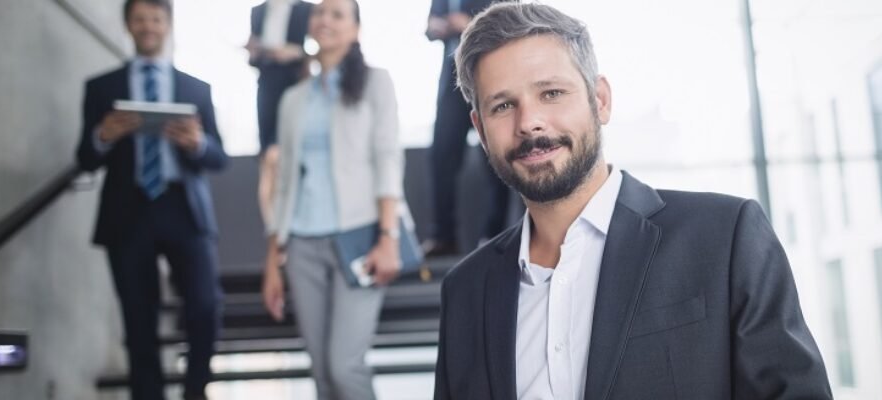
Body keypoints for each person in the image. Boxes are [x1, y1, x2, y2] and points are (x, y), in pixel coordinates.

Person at [433, 3, 833, 399]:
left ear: (600, 100)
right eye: (503, 106)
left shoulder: (724, 238)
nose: (529, 122)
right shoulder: (465, 291)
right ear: (482, 131)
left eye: (551, 93)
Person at [75, 1, 228, 399]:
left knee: (204, 306)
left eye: (156, 19)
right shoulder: (102, 88)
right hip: (129, 211)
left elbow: (218, 158)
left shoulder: (196, 88)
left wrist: (197, 143)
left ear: (168, 25)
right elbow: (85, 159)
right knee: (138, 321)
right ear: (128, 24)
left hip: (183, 208)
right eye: (140, 19)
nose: (148, 27)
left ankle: (196, 390)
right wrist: (103, 136)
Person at [259, 0, 404, 398]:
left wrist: (388, 236)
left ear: (355, 29)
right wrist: (273, 261)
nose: (325, 20)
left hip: (359, 238)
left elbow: (387, 157)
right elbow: (284, 182)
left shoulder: (376, 82)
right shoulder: (294, 99)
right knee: (322, 371)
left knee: (344, 365)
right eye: (319, 12)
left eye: (338, 14)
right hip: (302, 243)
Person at [423, 0, 513, 257]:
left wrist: (470, 25)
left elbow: (512, 22)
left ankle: (494, 235)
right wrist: (436, 27)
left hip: (490, 78)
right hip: (452, 82)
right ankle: (443, 236)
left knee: (496, 159)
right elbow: (430, 27)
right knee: (441, 156)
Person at [246, 0, 313, 228]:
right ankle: (274, 230)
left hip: (297, 84)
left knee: (292, 156)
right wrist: (254, 50)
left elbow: (320, 51)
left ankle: (295, 224)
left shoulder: (307, 9)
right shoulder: (257, 11)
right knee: (269, 158)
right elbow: (253, 60)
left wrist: (296, 52)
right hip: (267, 88)